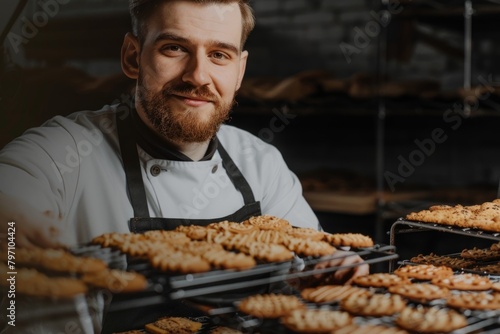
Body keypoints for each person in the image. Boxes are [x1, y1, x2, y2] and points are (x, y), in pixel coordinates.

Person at [0, 0, 368, 331]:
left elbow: (311, 258)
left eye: (219, 55)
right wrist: (11, 222)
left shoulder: (261, 163)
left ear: (239, 72)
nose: (197, 76)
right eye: (174, 48)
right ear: (132, 56)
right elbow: (13, 182)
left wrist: (331, 272)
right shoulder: (68, 150)